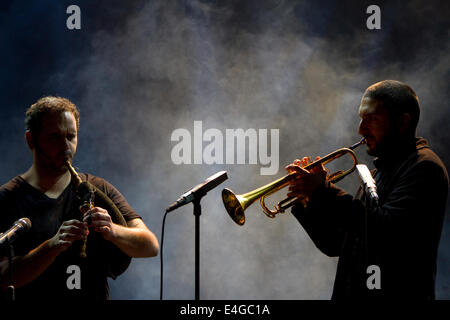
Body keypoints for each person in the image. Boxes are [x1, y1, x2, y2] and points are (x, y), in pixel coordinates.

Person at [286, 80, 448, 300]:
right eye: (362, 119)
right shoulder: (377, 173)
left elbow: (387, 232)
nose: (361, 129)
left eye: (371, 119)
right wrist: (307, 201)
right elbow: (337, 244)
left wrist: (323, 191)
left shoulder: (425, 167)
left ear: (403, 122)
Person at [0, 96, 159, 300]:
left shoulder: (98, 188)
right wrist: (51, 246)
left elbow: (150, 245)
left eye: (71, 137)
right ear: (31, 140)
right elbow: (3, 275)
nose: (66, 146)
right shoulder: (7, 198)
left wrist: (113, 231)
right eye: (54, 138)